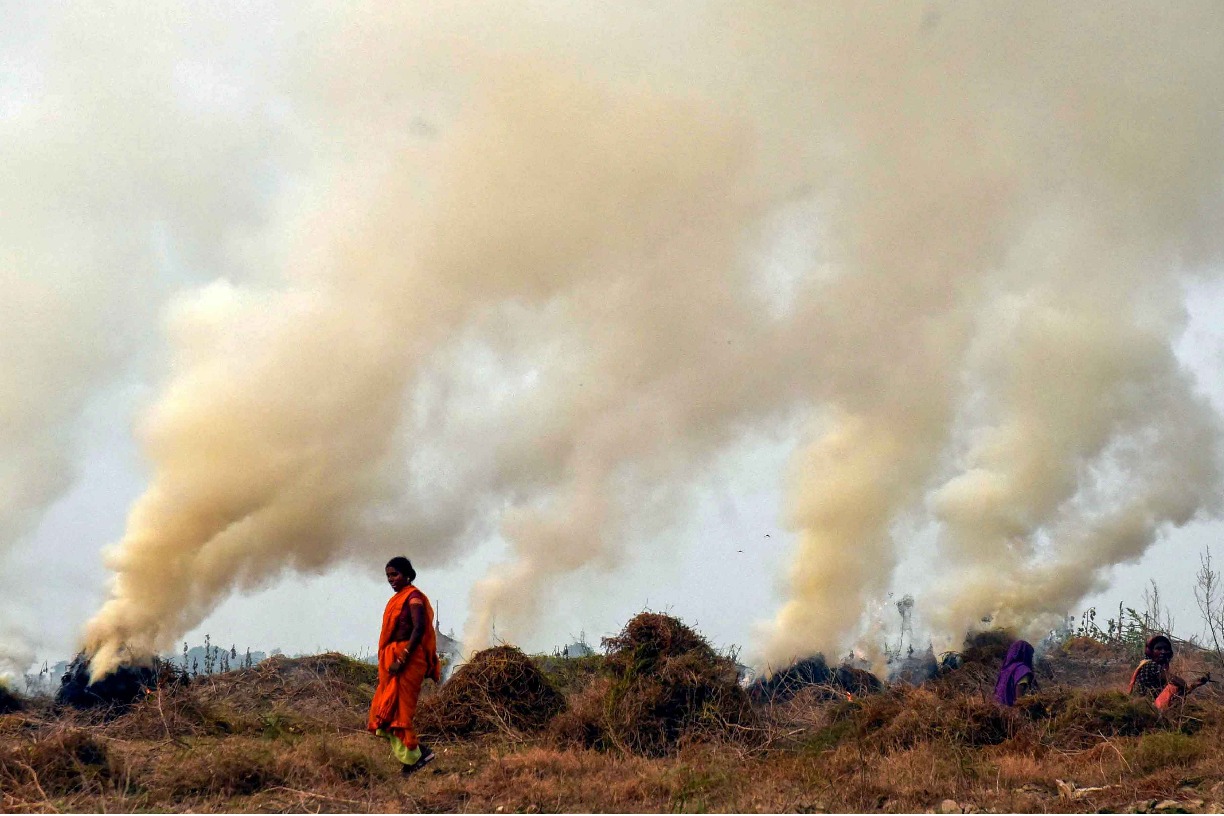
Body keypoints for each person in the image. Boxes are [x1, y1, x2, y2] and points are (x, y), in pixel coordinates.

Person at [368, 556, 441, 775]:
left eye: (395, 574)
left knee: (400, 714)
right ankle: (418, 755)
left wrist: (402, 659)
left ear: (407, 574)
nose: (391, 579)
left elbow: (418, 629)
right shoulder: (396, 600)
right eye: (388, 576)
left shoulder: (414, 597)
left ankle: (415, 759)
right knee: (384, 711)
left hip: (408, 661)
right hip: (392, 660)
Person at [1128, 634, 1209, 710]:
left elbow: (1178, 693)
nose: (1163, 652)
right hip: (1143, 706)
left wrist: (1194, 685)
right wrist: (1184, 684)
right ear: (1151, 652)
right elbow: (1177, 682)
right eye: (1158, 649)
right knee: (1173, 686)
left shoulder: (1158, 668)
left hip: (1149, 706)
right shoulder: (1150, 665)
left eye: (1166, 649)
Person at [994, 640, 1038, 706]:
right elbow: (1020, 692)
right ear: (1026, 654)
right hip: (1015, 711)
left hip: (1000, 709)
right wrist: (1021, 707)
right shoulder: (1023, 669)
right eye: (1031, 655)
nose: (1031, 658)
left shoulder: (1007, 669)